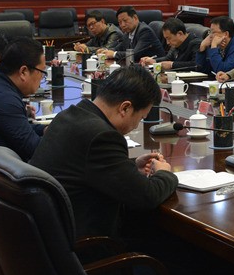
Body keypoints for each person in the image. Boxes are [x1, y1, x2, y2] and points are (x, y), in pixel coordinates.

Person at [30, 64, 178, 239]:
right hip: (84, 243)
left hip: (47, 233)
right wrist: (164, 173)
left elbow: (88, 167)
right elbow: (147, 196)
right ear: (125, 108)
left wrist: (130, 166)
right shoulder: (102, 136)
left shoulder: (69, 115)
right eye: (140, 118)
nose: (136, 125)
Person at [97, 6, 163, 62]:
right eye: (120, 22)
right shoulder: (128, 32)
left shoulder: (144, 31)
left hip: (155, 67)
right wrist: (106, 51)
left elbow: (134, 54)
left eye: (125, 20)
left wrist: (114, 54)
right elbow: (119, 48)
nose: (122, 25)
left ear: (135, 18)